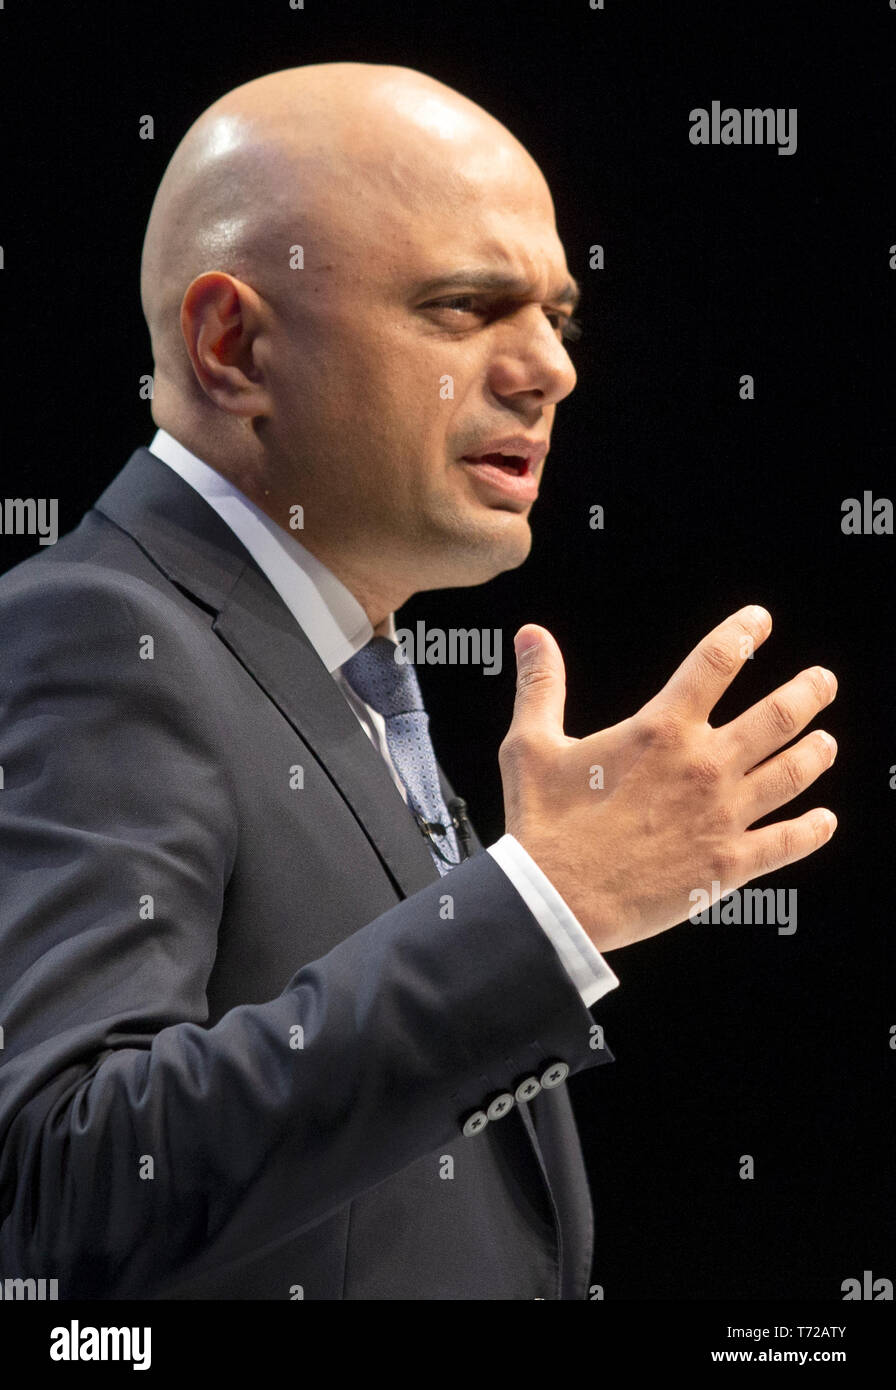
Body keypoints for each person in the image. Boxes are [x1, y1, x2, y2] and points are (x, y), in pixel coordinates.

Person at [0, 63, 838, 1300]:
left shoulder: (330, 662)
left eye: (557, 316)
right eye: (463, 307)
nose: (548, 367)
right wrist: (546, 908)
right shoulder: (89, 635)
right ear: (231, 344)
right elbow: (65, 1176)